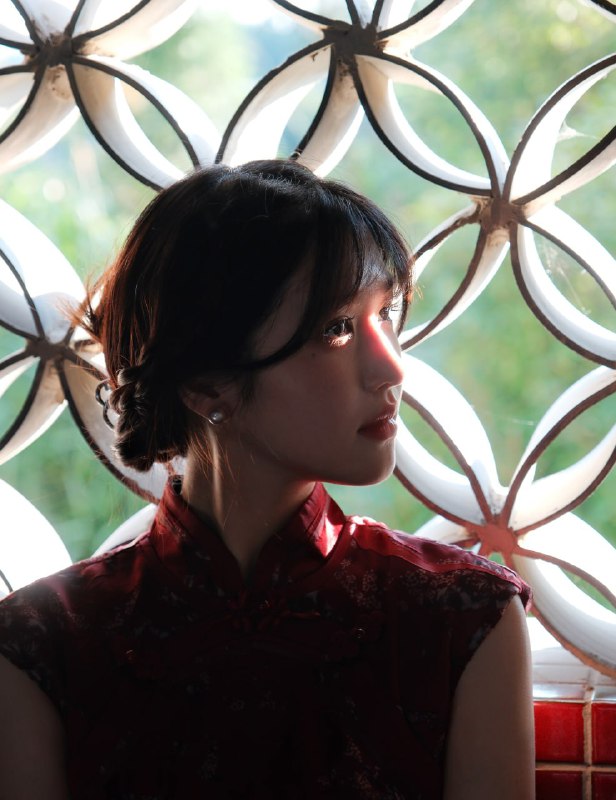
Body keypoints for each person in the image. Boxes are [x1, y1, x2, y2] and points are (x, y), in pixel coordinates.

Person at [0, 160, 534, 799]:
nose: (392, 368)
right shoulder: (40, 644)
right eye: (337, 328)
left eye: (387, 312)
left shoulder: (465, 616)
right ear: (206, 384)